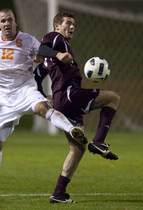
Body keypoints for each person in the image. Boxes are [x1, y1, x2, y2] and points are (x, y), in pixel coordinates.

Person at [0, 9, 87, 204]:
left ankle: (72, 129)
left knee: (42, 109)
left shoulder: (27, 40)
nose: (6, 23)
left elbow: (43, 53)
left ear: (15, 22)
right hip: (4, 100)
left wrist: (47, 57)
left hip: (26, 89)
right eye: (3, 21)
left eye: (9, 20)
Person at [34, 12, 120, 203]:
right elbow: (43, 47)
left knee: (78, 149)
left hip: (63, 100)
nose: (72, 27)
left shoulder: (51, 58)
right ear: (57, 26)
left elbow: (37, 77)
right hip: (69, 95)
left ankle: (58, 193)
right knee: (113, 98)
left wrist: (46, 96)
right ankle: (99, 141)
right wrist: (57, 53)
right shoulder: (55, 38)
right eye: (68, 23)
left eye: (73, 24)